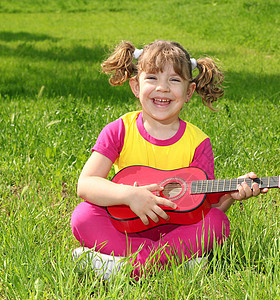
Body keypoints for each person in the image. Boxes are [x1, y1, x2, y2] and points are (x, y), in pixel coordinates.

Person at [71, 40, 267, 279]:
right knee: (83, 217)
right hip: (127, 226)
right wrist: (129, 195)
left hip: (175, 231)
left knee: (217, 223)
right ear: (135, 86)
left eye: (174, 80)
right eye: (152, 78)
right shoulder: (119, 130)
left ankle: (122, 268)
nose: (162, 88)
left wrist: (229, 195)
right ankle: (171, 264)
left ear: (189, 92)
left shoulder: (198, 142)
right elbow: (86, 184)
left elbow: (205, 208)